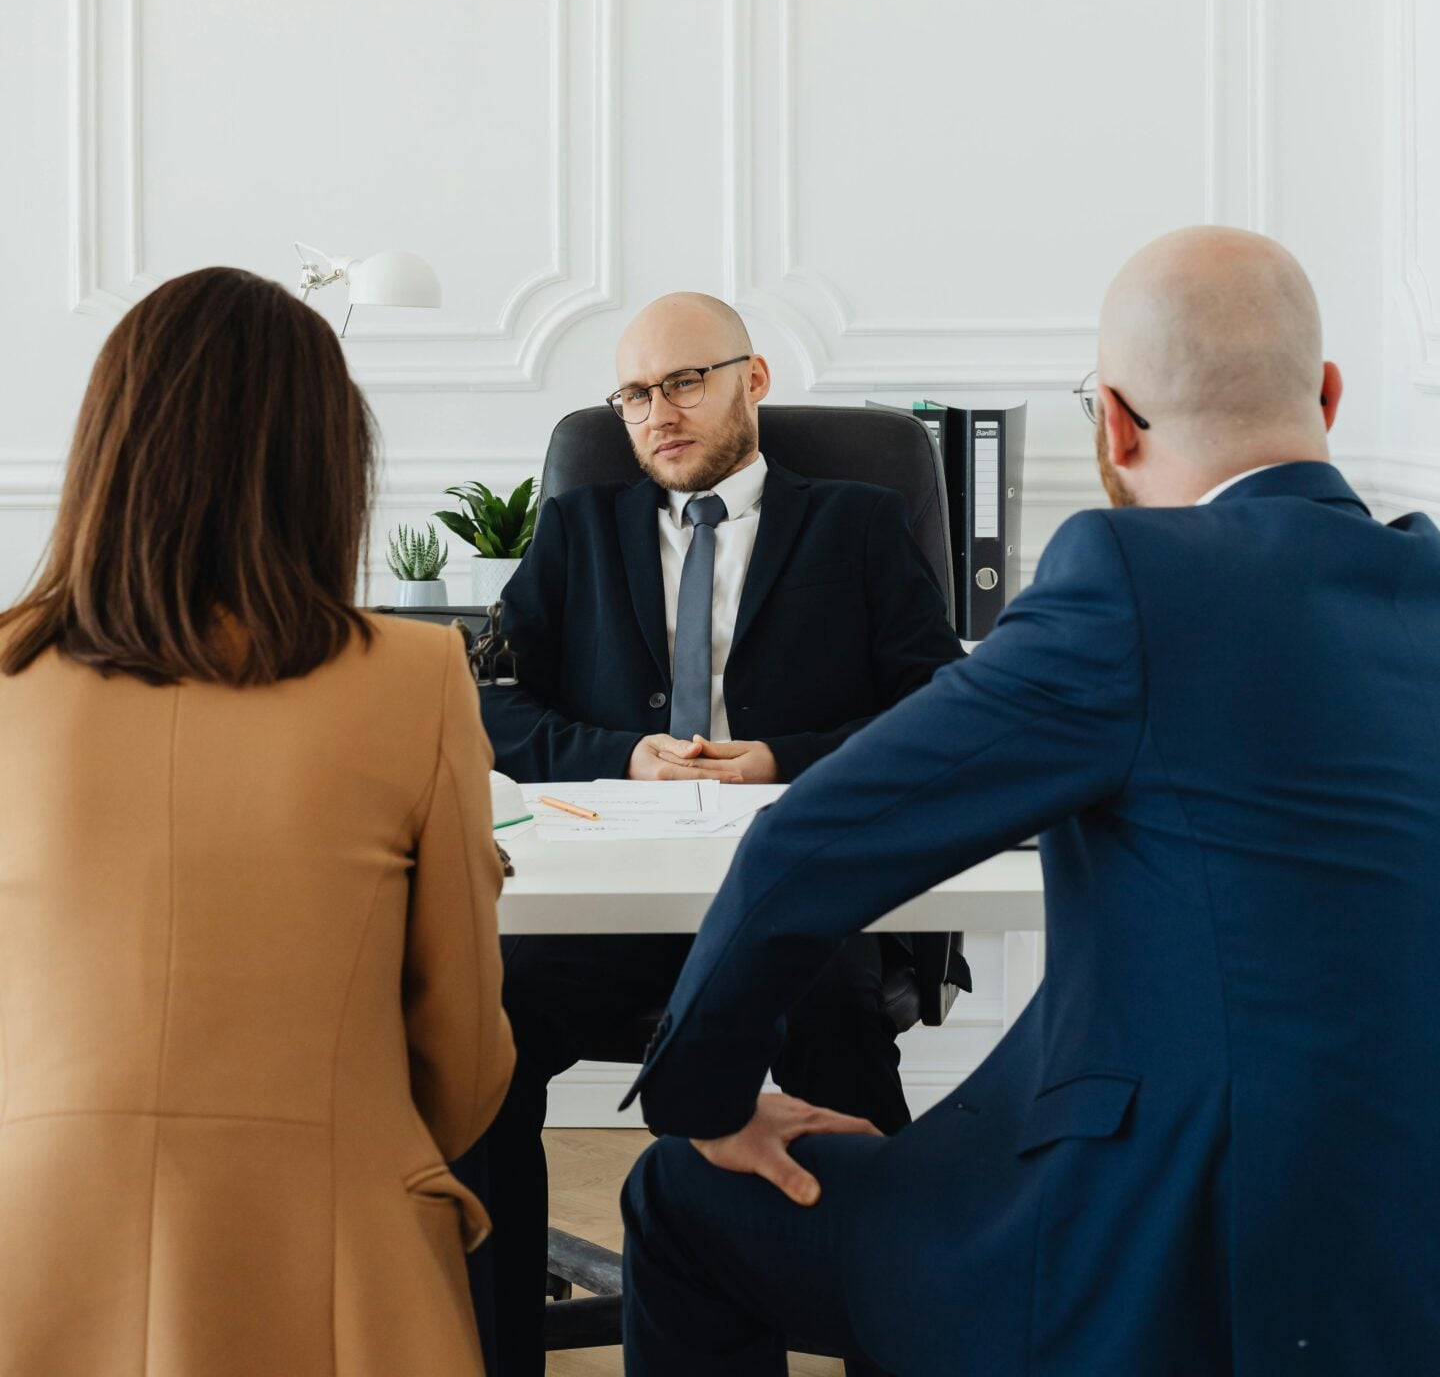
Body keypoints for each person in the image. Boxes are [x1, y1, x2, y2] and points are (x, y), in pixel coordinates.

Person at [619, 230, 1440, 1376]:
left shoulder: (1133, 579)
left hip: (1161, 1241)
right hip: (1402, 1244)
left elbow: (809, 844)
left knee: (680, 1194)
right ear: (1332, 398)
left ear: (1110, 420)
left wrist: (703, 1101)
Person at [0, 267, 514, 1377]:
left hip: (28, 1247)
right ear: (325, 465)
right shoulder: (418, 677)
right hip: (336, 1258)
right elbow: (465, 1057)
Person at [456, 290, 964, 1376]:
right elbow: (484, 699)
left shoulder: (855, 524)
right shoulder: (581, 529)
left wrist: (785, 755)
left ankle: (905, 1327)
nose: (658, 412)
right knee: (482, 1029)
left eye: (684, 381)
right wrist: (616, 754)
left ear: (754, 380)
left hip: (789, 903)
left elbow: (942, 707)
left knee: (836, 1029)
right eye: (635, 394)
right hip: (611, 901)